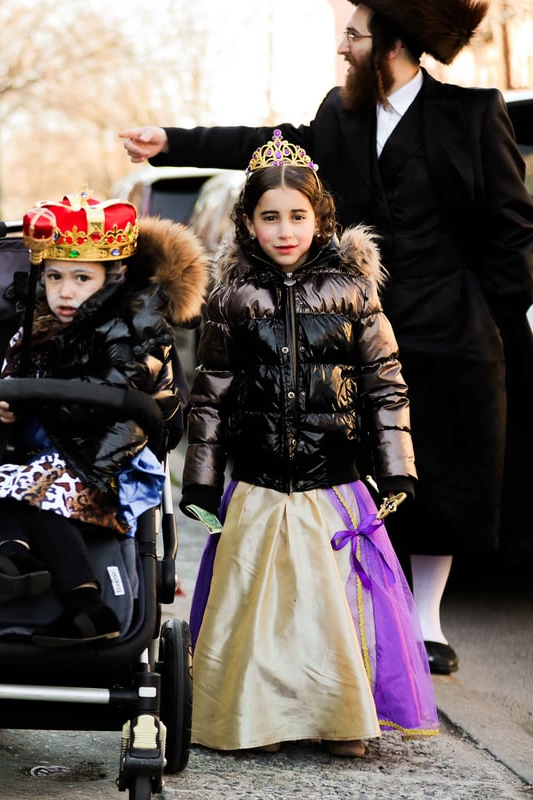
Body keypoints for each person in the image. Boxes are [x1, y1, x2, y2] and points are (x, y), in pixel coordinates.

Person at [119, 0, 533, 676]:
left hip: (455, 335)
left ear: (393, 45)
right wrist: (174, 140)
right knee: (363, 467)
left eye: (355, 35)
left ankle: (426, 620)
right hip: (349, 326)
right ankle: (374, 611)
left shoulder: (474, 113)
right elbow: (265, 142)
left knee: (449, 478)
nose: (345, 47)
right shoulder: (340, 119)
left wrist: (492, 313)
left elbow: (513, 229)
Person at [180, 133, 438, 757]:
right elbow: (210, 397)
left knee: (330, 612)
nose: (285, 230)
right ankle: (259, 716)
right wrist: (201, 482)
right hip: (261, 485)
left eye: (297, 216)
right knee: (261, 610)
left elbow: (386, 385)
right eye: (270, 218)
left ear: (320, 217)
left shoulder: (353, 289)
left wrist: (395, 467)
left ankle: (342, 718)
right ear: (248, 222)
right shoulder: (231, 298)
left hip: (333, 483)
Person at [0, 193, 208, 646]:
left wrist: (65, 442)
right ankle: (14, 554)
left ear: (113, 278)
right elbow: (15, 375)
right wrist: (9, 400)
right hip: (45, 451)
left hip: (110, 460)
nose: (65, 291)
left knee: (41, 490)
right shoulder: (34, 324)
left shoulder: (135, 327)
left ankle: (88, 606)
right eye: (54, 277)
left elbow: (126, 403)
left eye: (80, 278)